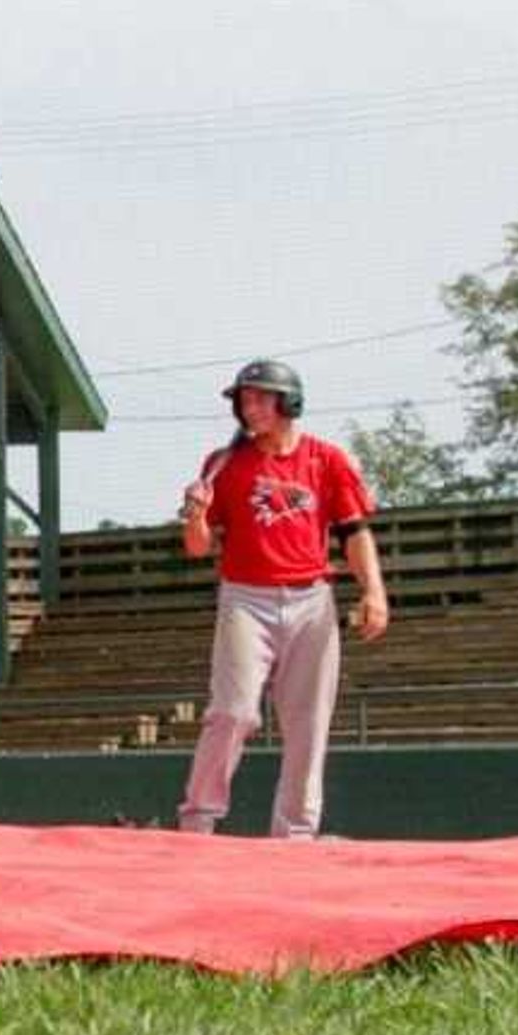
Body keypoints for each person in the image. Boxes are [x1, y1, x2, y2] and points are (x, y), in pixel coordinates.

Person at [176, 359, 387, 838]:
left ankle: (295, 832)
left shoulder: (326, 459)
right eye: (243, 400)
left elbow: (355, 531)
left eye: (259, 398)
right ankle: (199, 818)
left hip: (312, 598)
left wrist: (374, 591)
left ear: (288, 402)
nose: (248, 408)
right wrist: (195, 517)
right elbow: (197, 548)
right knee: (233, 710)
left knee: (309, 719)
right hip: (246, 597)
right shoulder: (224, 463)